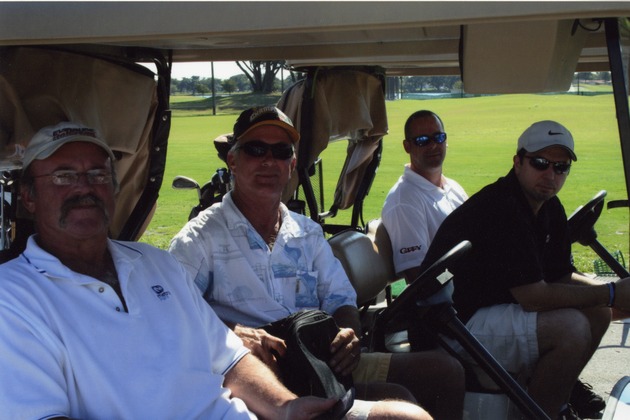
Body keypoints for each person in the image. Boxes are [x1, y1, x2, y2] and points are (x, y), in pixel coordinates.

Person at [0, 122, 341, 419]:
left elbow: (231, 358)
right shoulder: (12, 297)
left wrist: (285, 407)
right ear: (28, 196)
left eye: (98, 174)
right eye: (64, 176)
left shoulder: (156, 263)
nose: (84, 188)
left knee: (393, 411)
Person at [169, 106, 465, 419]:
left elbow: (341, 299)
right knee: (406, 413)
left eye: (281, 152)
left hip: (319, 363)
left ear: (292, 165)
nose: (269, 161)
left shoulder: (306, 232)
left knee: (444, 372)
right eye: (255, 150)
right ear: (233, 159)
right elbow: (169, 314)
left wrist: (348, 335)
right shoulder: (200, 239)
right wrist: (234, 332)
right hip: (256, 381)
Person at [419, 120, 630, 419]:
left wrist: (612, 297)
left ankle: (556, 401)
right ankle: (539, 413)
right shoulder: (502, 207)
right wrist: (610, 292)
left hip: (487, 309)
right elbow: (533, 297)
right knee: (571, 329)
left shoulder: (547, 205)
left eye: (561, 167)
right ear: (518, 162)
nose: (550, 174)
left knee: (597, 313)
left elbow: (559, 275)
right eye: (540, 163)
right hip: (453, 323)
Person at [382, 110, 467, 284]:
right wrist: (460, 271)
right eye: (423, 141)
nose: (433, 145)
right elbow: (420, 280)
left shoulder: (453, 187)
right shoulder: (404, 201)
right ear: (407, 146)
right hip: (455, 303)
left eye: (438, 137)